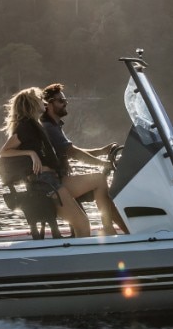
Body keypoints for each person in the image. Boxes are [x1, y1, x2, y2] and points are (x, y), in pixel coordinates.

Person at [0, 87, 92, 237]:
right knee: (82, 224)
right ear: (33, 103)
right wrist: (31, 153)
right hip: (46, 185)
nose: (44, 102)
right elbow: (4, 152)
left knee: (95, 188)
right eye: (40, 99)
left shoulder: (34, 125)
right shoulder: (26, 126)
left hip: (49, 180)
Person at [41, 83, 129, 235]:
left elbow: (72, 151)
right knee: (99, 179)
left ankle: (128, 232)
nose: (65, 103)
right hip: (55, 183)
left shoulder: (54, 126)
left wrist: (101, 151)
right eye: (61, 101)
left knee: (105, 197)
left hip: (61, 180)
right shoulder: (49, 127)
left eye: (65, 100)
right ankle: (108, 229)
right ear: (48, 104)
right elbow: (73, 152)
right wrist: (103, 163)